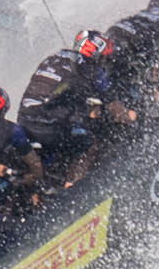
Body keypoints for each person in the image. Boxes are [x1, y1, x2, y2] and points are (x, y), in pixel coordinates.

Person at [17, 30, 117, 185]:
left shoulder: (52, 58)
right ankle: (73, 187)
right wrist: (130, 116)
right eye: (103, 57)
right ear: (95, 53)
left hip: (23, 120)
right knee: (89, 142)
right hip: (48, 128)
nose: (104, 62)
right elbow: (108, 99)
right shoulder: (89, 68)